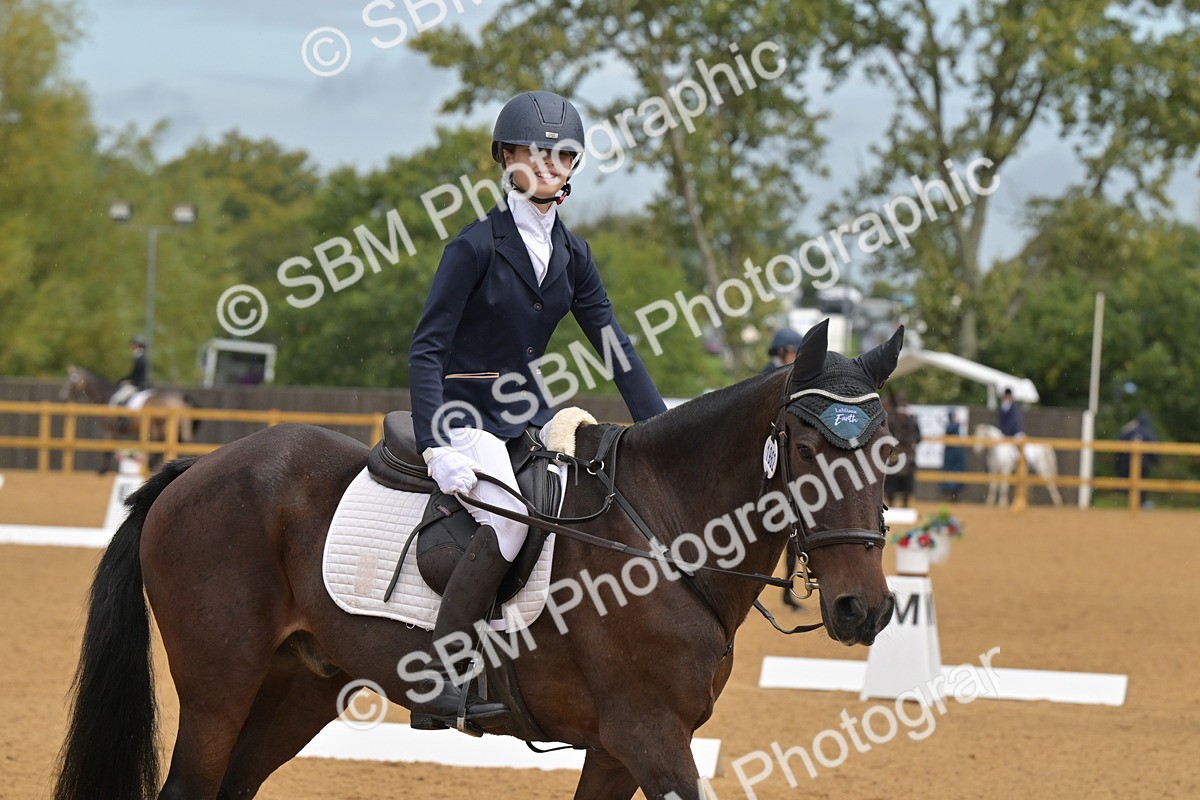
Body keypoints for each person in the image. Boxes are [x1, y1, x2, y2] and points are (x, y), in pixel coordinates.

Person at [407, 91, 667, 731]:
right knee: (514, 518)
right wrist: (437, 444)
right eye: (537, 152)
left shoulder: (574, 256)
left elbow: (614, 345)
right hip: (464, 416)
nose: (551, 165)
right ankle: (441, 672)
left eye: (565, 155)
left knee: (580, 506)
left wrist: (661, 431)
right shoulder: (473, 248)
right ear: (507, 158)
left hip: (527, 416)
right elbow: (426, 349)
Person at [883, 390, 921, 507]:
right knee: (891, 479)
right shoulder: (890, 419)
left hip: (907, 453)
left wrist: (911, 442)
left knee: (907, 480)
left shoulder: (912, 418)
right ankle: (891, 504)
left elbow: (918, 436)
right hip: (894, 453)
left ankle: (905, 505)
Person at [1116, 410, 1159, 508]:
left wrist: (1119, 462)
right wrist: (1156, 461)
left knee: (1130, 485)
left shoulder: (1129, 431)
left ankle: (1130, 504)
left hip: (1127, 464)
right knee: (1141, 485)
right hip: (1143, 465)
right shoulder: (1148, 433)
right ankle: (1141, 504)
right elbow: (1154, 450)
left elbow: (1118, 442)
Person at [110, 336, 149, 406]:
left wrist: (123, 380)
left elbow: (134, 374)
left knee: (116, 398)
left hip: (137, 385)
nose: (131, 347)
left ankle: (118, 415)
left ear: (137, 346)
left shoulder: (139, 359)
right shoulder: (142, 358)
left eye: (133, 345)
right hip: (143, 384)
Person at [939, 409, 966, 501]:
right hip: (950, 456)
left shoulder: (955, 427)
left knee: (957, 474)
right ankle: (948, 493)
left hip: (956, 455)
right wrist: (958, 424)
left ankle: (955, 494)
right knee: (948, 474)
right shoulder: (950, 427)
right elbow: (950, 430)